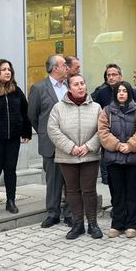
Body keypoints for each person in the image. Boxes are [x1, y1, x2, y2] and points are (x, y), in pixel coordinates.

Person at [47, 74, 103, 240]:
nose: (80, 87)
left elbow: (103, 130)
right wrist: (71, 148)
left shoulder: (96, 107)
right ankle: (78, 224)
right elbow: (53, 130)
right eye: (76, 84)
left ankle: (93, 224)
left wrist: (88, 146)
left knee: (89, 190)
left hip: (89, 156)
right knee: (72, 190)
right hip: (67, 157)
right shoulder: (58, 107)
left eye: (82, 84)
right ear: (69, 87)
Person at [0, 59, 32, 216]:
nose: (7, 72)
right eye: (3, 69)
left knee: (10, 170)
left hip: (13, 138)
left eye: (9, 69)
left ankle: (11, 201)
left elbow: (24, 111)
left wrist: (26, 131)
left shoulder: (15, 90)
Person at [98, 81, 136, 238]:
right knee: (117, 192)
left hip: (132, 158)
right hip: (113, 158)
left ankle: (132, 224)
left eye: (124, 91)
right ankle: (118, 223)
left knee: (132, 192)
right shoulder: (107, 111)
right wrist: (118, 145)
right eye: (119, 91)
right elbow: (103, 132)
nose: (121, 93)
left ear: (129, 93)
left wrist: (130, 145)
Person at [28, 54, 73, 228]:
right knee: (53, 181)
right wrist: (46, 132)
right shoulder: (39, 88)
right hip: (50, 143)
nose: (67, 68)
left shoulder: (70, 86)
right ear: (55, 68)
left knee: (70, 181)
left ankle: (70, 213)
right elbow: (33, 115)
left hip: (71, 142)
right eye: (64, 65)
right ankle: (53, 213)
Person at [92, 64, 126, 185]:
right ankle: (106, 178)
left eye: (114, 75)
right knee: (106, 154)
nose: (111, 77)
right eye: (109, 75)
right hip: (107, 132)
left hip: (125, 131)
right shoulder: (101, 93)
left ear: (120, 76)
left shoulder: (128, 90)